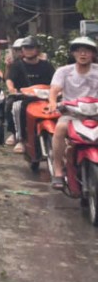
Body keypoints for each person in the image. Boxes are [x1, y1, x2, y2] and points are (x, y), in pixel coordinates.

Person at [48, 36, 98, 190]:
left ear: (93, 54)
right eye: (79, 51)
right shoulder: (64, 71)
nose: (83, 54)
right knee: (60, 128)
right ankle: (58, 170)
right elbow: (55, 89)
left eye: (87, 51)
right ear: (74, 54)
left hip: (95, 113)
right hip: (72, 113)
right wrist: (52, 102)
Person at [6, 36, 55, 154]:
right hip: (24, 97)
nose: (28, 50)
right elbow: (9, 79)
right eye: (25, 48)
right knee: (14, 106)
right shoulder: (17, 65)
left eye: (31, 48)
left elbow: (55, 82)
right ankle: (19, 138)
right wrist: (12, 89)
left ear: (37, 50)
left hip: (45, 97)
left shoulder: (46, 65)